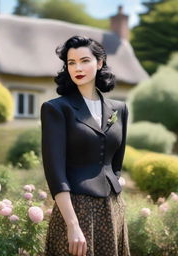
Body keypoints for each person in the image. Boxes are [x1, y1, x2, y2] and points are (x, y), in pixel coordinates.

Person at [40, 35, 131, 256]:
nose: (77, 68)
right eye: (71, 63)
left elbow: (116, 164)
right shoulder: (56, 109)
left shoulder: (119, 109)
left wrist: (115, 184)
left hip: (113, 209)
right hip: (76, 209)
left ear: (99, 63)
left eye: (84, 61)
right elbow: (55, 173)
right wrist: (72, 225)